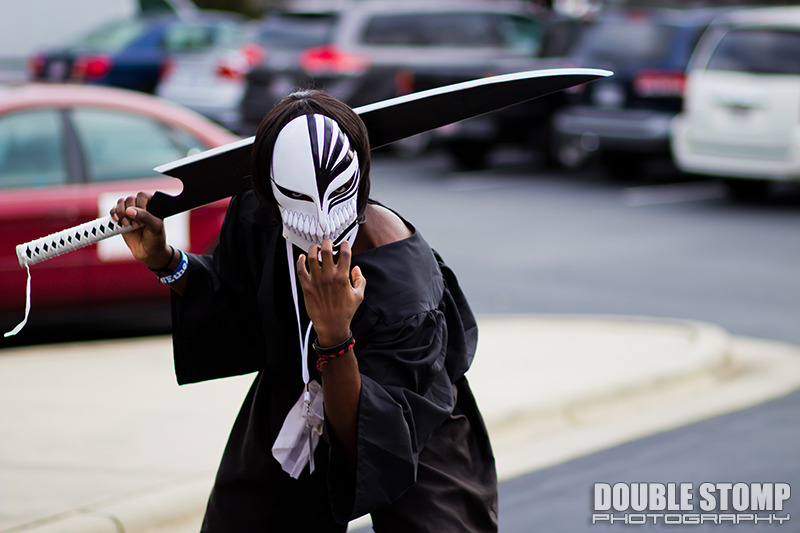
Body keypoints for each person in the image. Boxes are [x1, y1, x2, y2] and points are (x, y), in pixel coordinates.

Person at [111, 90, 498, 532]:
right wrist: (165, 260)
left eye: (336, 198)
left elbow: (370, 442)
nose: (320, 232)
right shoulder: (259, 213)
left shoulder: (404, 287)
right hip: (296, 393)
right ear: (269, 191)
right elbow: (237, 303)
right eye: (295, 200)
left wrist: (334, 332)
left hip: (411, 418)